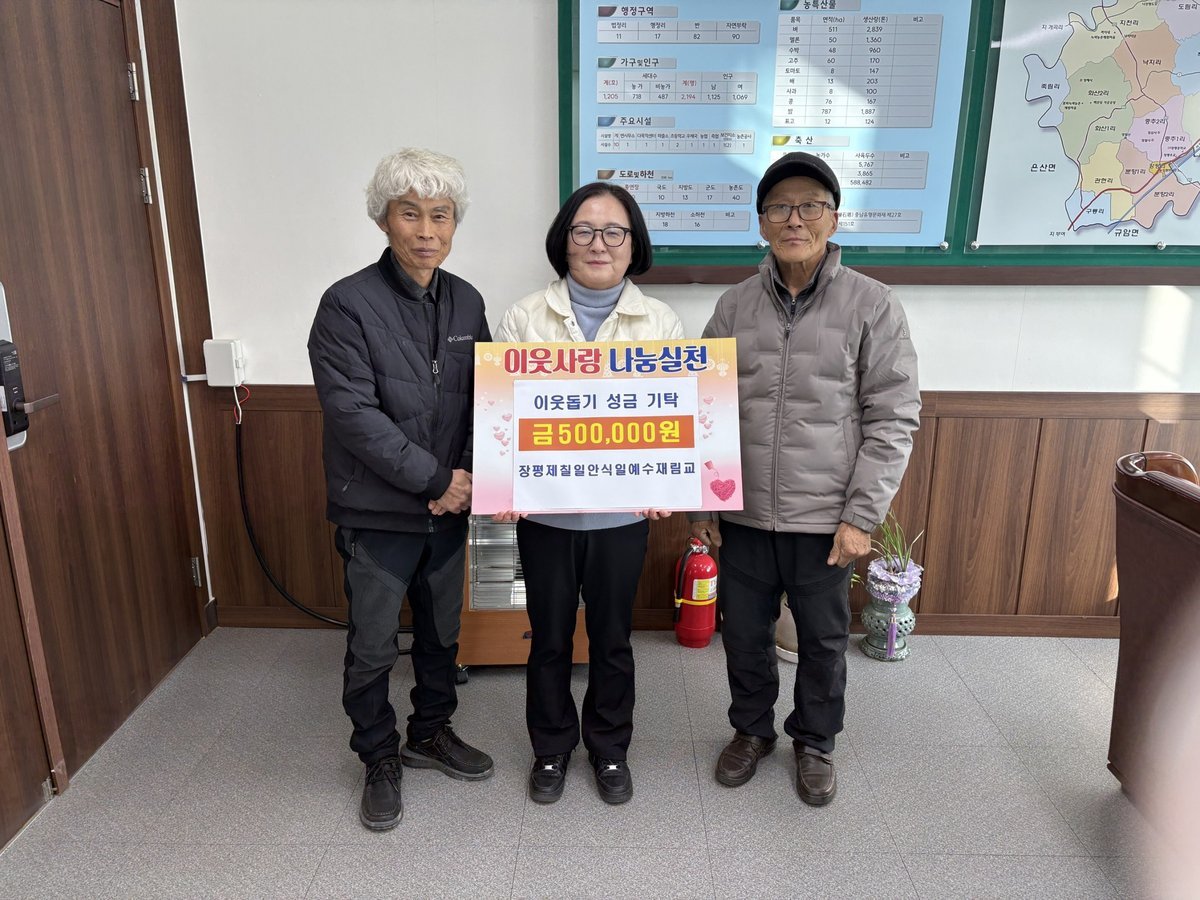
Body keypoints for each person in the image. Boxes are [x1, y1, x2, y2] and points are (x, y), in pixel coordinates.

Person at [689, 152, 920, 806]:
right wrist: (701, 505)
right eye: (780, 208)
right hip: (742, 511)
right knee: (744, 636)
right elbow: (703, 407)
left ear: (833, 218)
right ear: (762, 222)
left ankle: (815, 742)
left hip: (826, 517)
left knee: (821, 642)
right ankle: (751, 731)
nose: (795, 219)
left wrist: (861, 516)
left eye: (810, 206)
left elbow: (894, 416)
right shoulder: (733, 306)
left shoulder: (873, 304)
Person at [308, 148, 493, 831]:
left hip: (449, 510)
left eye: (440, 215)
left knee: (443, 636)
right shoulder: (346, 304)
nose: (426, 230)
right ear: (384, 220)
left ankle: (430, 733)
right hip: (379, 511)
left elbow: (487, 399)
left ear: (454, 225)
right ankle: (378, 755)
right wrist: (437, 480)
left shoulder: (468, 300)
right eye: (410, 213)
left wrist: (462, 480)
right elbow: (354, 416)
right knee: (374, 645)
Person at [493, 182, 683, 805]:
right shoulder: (525, 317)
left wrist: (665, 482)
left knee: (613, 640)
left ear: (633, 244)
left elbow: (671, 418)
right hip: (544, 517)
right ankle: (550, 748)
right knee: (548, 639)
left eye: (613, 232)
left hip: (622, 517)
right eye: (584, 231)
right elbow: (502, 415)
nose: (598, 244)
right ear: (564, 241)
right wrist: (503, 480)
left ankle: (609, 747)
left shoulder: (660, 321)